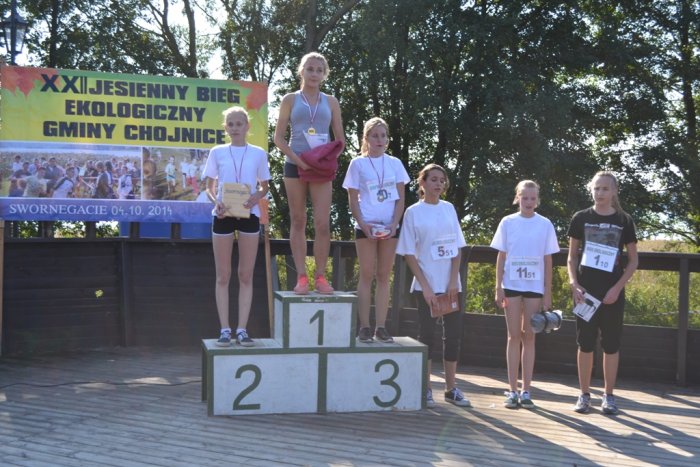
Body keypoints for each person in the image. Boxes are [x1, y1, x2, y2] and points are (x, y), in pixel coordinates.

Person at [396, 163, 471, 408]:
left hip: (451, 286)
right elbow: (408, 253)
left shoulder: (449, 209)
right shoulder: (413, 212)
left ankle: (451, 389)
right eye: (433, 179)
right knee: (427, 336)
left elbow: (457, 248)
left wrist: (453, 281)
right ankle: (426, 388)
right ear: (422, 182)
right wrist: (426, 287)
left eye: (442, 180)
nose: (438, 184)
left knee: (453, 336)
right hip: (426, 286)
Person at [274, 52, 345, 295]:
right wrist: (299, 161)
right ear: (301, 71)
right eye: (310, 69)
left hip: (321, 167)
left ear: (324, 74)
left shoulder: (331, 101)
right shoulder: (290, 99)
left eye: (319, 70)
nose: (314, 74)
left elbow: (340, 140)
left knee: (323, 223)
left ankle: (321, 277)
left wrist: (324, 160)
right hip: (295, 164)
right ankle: (302, 277)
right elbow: (278, 138)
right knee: (298, 220)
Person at [567, 171, 638, 415]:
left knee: (611, 345)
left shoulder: (624, 220)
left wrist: (617, 288)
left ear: (614, 191)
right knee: (585, 344)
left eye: (605, 189)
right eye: (596, 188)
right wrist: (574, 283)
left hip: (612, 294)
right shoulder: (581, 218)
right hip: (585, 292)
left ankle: (608, 396)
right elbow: (571, 256)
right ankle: (584, 395)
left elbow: (633, 260)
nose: (600, 193)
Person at [202, 106, 271, 347]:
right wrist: (216, 202)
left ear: (247, 126)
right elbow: (209, 187)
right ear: (225, 127)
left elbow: (265, 186)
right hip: (223, 215)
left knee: (245, 274)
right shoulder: (217, 152)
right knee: (223, 275)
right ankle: (224, 330)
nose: (235, 128)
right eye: (230, 124)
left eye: (239, 124)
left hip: (249, 213)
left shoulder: (258, 153)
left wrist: (256, 197)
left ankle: (242, 329)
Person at [491, 180, 559, 409]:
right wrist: (498, 286)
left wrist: (547, 292)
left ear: (537, 200)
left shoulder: (545, 224)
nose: (528, 202)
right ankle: (512, 390)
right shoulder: (507, 222)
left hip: (534, 287)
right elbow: (501, 256)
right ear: (517, 198)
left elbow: (548, 259)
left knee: (529, 336)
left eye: (532, 198)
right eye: (524, 197)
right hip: (511, 284)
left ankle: (526, 390)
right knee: (513, 336)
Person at [342, 117, 409, 343]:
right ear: (366, 138)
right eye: (375, 136)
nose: (379, 140)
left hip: (390, 227)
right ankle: (364, 326)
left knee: (383, 275)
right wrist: (363, 225)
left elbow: (400, 199)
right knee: (367, 274)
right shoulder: (357, 164)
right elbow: (353, 200)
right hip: (367, 226)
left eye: (383, 136)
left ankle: (381, 327)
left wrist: (393, 224)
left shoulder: (395, 163)